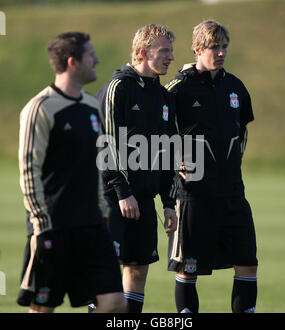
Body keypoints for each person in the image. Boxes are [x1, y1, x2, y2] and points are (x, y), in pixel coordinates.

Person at [17, 32, 127, 313]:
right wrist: (41, 224)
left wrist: (103, 214)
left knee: (115, 303)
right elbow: (29, 170)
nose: (97, 60)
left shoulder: (91, 106)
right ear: (72, 62)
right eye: (91, 55)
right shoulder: (40, 108)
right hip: (54, 226)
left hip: (92, 225)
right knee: (43, 308)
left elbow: (95, 166)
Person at [166, 20, 258, 313]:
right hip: (193, 195)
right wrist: (173, 159)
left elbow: (242, 131)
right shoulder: (178, 88)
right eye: (213, 47)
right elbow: (157, 134)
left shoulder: (236, 87)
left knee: (247, 262)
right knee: (188, 268)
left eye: (224, 47)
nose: (220, 53)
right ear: (197, 49)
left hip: (232, 193)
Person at [95, 24, 178, 313]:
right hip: (111, 198)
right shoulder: (118, 88)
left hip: (143, 200)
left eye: (171, 51)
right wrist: (122, 191)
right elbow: (106, 144)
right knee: (107, 275)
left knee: (138, 271)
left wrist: (169, 203)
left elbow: (169, 152)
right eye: (164, 50)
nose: (170, 57)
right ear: (143, 52)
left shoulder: (164, 97)